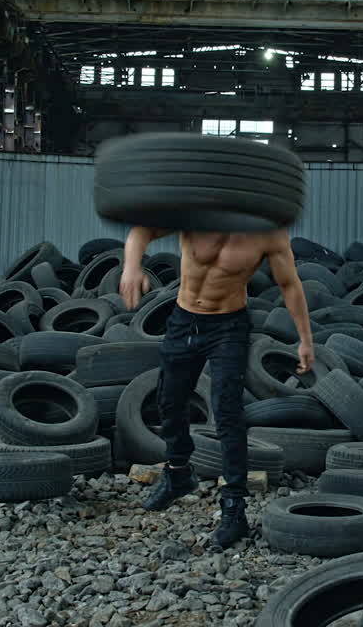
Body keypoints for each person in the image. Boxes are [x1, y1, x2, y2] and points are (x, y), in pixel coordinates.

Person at [119, 227, 314, 548]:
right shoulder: (193, 210)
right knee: (169, 399)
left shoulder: (268, 232)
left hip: (229, 325)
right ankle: (178, 473)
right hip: (185, 318)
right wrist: (131, 266)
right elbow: (140, 232)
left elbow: (290, 284)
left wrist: (305, 340)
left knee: (227, 411)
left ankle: (234, 508)